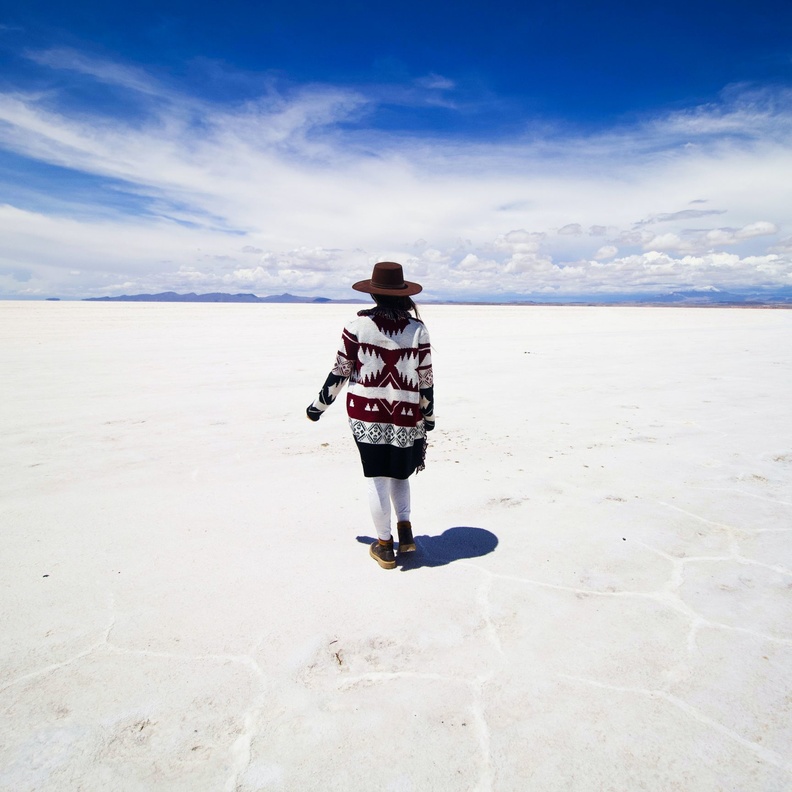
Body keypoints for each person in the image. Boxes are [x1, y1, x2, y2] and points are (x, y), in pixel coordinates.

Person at [306, 262, 435, 569]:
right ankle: (406, 536)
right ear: (402, 293)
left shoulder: (357, 326)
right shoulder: (418, 329)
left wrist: (318, 407)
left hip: (367, 416)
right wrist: (428, 417)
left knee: (377, 477)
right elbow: (426, 379)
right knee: (400, 474)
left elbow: (340, 371)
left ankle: (384, 546)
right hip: (406, 415)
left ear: (374, 294)